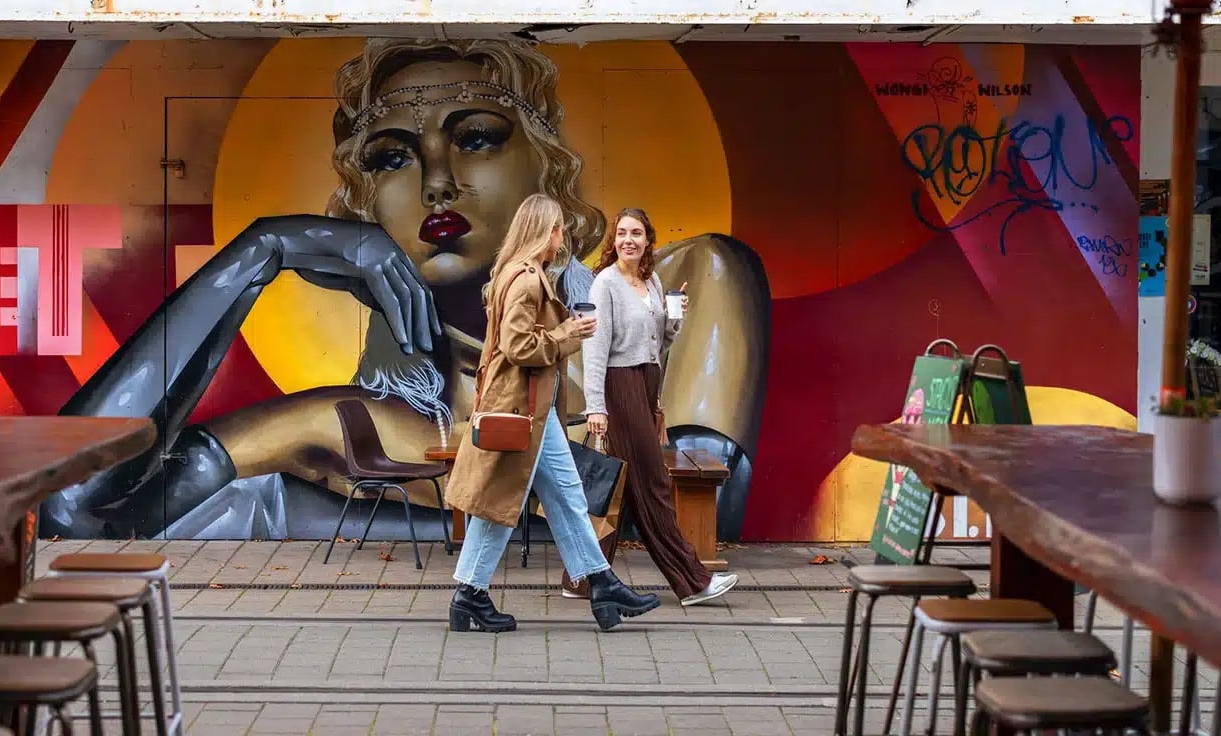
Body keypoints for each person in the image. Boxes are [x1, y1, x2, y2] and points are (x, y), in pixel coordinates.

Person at [39, 38, 771, 546]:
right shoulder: (353, 422)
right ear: (364, 208)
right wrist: (261, 250)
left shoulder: (682, 279)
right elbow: (72, 514)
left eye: (478, 137)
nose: (437, 182)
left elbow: (695, 520)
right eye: (391, 157)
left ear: (546, 170)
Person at [446, 194, 660, 633]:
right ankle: (471, 593)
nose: (562, 236)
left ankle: (600, 584)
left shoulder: (516, 274)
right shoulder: (525, 279)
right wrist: (568, 333)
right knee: (504, 503)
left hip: (529, 411)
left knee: (564, 497)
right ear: (545, 231)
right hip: (525, 412)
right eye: (558, 227)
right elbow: (519, 347)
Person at [580, 209, 739, 606]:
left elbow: (658, 347)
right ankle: (692, 581)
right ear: (613, 241)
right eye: (621, 233)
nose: (628, 240)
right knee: (652, 482)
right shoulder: (605, 284)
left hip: (646, 383)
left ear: (649, 240)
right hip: (620, 385)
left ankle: (581, 579)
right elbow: (594, 351)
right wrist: (595, 407)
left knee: (619, 488)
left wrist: (674, 319)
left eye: (636, 233)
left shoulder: (651, 282)